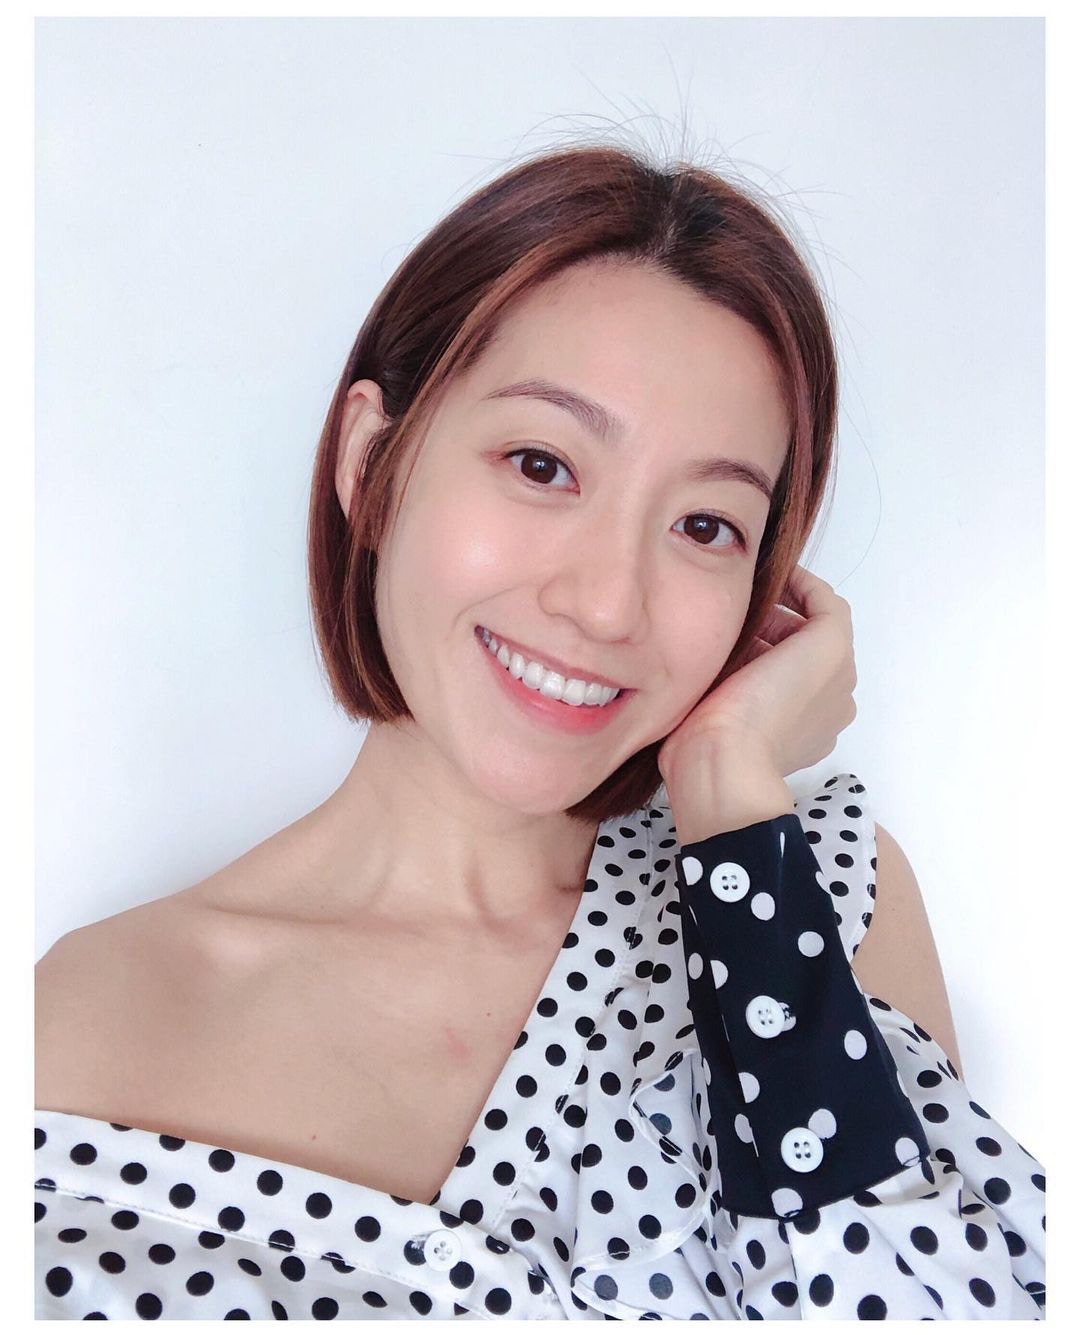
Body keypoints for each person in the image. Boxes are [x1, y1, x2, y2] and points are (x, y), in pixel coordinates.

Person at [35, 142, 1046, 1320]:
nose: (607, 605)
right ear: (372, 464)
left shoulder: (817, 898)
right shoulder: (79, 1034)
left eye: (706, 526)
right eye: (540, 464)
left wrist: (730, 794)